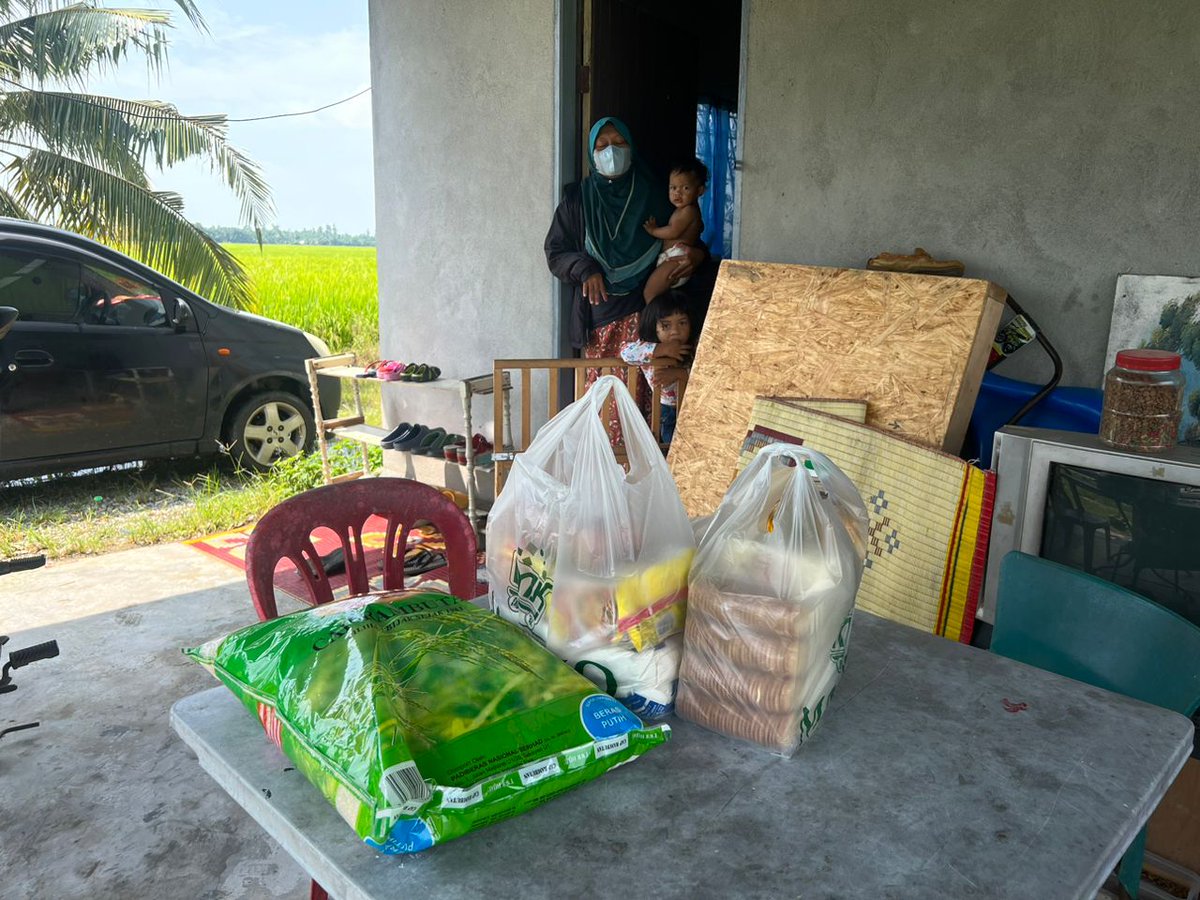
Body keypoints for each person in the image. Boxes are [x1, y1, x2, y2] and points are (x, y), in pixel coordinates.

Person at [545, 117, 705, 414]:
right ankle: (606, 460)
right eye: (602, 146)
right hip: (599, 317)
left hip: (648, 313)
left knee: (648, 396)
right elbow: (556, 252)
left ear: (632, 148)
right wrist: (586, 268)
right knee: (604, 398)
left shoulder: (657, 195)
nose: (611, 152)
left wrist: (697, 256)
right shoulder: (577, 200)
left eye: (619, 144)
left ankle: (643, 460)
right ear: (592, 155)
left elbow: (685, 236)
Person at [619, 291, 692, 445]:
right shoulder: (649, 350)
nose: (675, 331)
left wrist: (680, 374)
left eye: (682, 323)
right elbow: (625, 352)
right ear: (654, 327)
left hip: (696, 408)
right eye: (666, 325)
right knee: (672, 451)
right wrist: (661, 350)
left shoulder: (698, 346)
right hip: (667, 411)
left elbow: (711, 373)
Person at [642, 158, 708, 303]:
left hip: (677, 259)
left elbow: (673, 232)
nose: (677, 193)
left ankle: (650, 319)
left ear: (700, 191)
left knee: (650, 292)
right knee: (660, 296)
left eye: (685, 188)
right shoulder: (684, 209)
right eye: (673, 188)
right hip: (672, 257)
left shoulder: (688, 210)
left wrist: (653, 231)